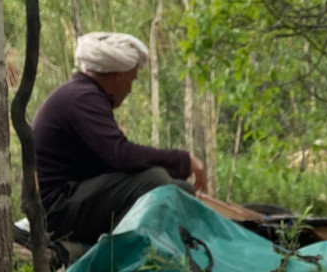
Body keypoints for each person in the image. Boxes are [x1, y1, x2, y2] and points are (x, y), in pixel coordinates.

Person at [32, 31, 207, 247]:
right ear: (118, 76)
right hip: (54, 211)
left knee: (181, 191)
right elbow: (121, 155)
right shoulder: (82, 98)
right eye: (131, 80)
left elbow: (112, 159)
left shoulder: (86, 94)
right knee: (155, 180)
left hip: (71, 200)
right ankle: (121, 258)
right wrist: (182, 160)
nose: (130, 89)